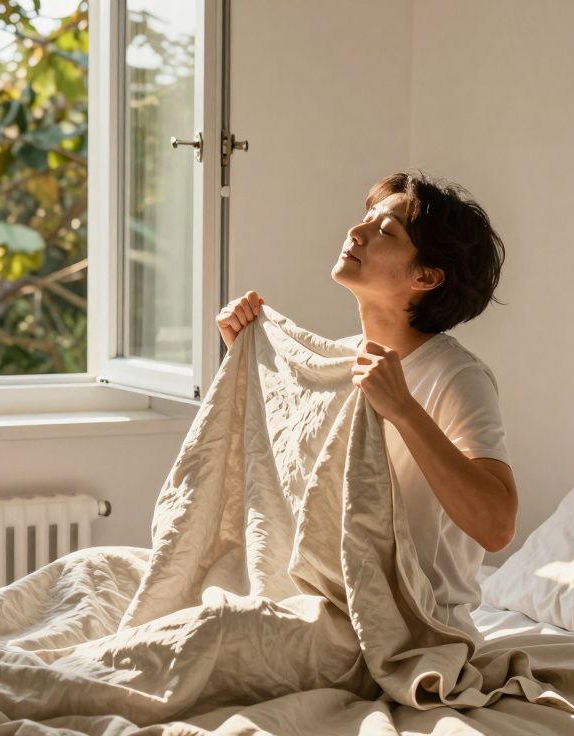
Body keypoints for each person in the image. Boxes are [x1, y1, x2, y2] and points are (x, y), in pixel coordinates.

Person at [215, 170, 516, 643]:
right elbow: (291, 482)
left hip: (416, 623)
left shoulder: (457, 376)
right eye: (366, 219)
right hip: (328, 600)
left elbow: (497, 527)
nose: (357, 232)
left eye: (385, 231)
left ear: (426, 276)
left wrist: (403, 409)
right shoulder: (339, 359)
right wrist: (251, 360)